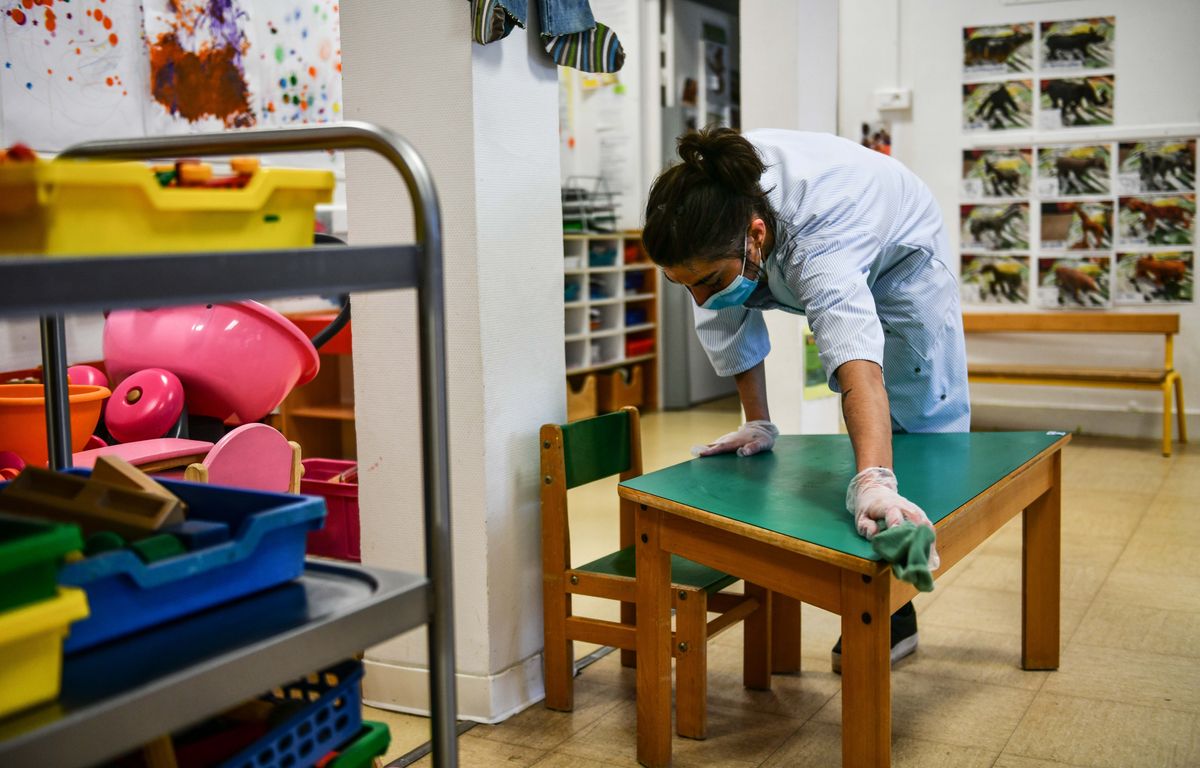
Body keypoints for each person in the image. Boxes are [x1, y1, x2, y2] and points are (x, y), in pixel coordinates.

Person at [641, 126, 970, 673]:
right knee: (727, 293)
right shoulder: (704, 211)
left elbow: (856, 365)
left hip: (902, 260)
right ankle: (884, 580)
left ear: (755, 235)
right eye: (683, 285)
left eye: (705, 280)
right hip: (780, 240)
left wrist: (873, 482)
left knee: (919, 426)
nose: (697, 296)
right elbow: (726, 320)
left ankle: (895, 608)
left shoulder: (821, 235)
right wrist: (759, 423)